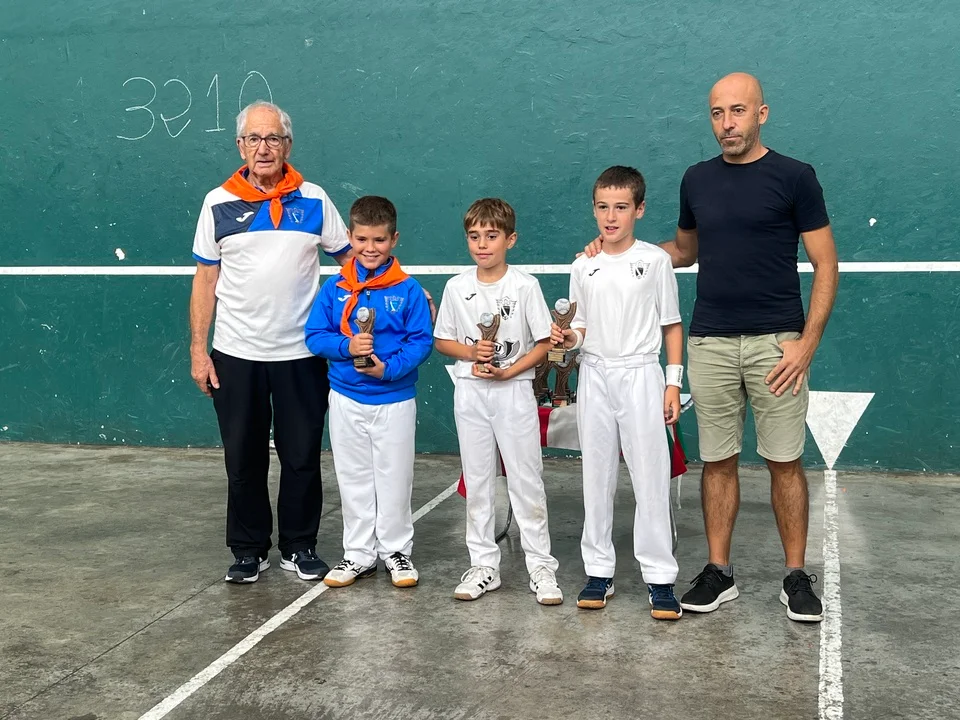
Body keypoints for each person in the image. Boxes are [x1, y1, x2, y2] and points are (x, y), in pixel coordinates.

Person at [582, 73, 839, 622]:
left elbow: (826, 263)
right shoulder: (696, 179)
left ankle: (795, 576)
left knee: (784, 462)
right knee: (717, 461)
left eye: (738, 111)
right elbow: (682, 251)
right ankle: (719, 572)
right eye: (718, 113)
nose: (727, 123)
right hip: (710, 341)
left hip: (777, 345)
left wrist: (806, 344)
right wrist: (616, 247)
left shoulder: (795, 177)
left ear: (761, 114)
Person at [189, 101, 352, 584]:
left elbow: (352, 260)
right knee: (243, 458)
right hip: (236, 354)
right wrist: (199, 351)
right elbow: (205, 280)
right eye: (255, 139)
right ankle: (248, 550)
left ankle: (299, 546)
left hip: (301, 355)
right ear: (240, 146)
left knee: (301, 456)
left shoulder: (315, 199)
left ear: (288, 145)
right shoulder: (217, 202)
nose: (264, 148)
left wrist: (400, 288)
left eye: (273, 138)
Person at [556, 166, 684, 620]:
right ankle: (599, 571)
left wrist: (673, 382)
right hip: (594, 375)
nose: (611, 217)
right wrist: (568, 338)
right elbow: (580, 327)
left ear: (639, 210)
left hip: (641, 376)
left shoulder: (655, 261)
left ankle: (660, 577)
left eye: (621, 207)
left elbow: (671, 324)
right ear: (594, 210)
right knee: (597, 476)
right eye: (603, 207)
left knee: (650, 476)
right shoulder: (582, 265)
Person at [433, 198, 563, 605]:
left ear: (511, 239)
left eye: (491, 236)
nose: (482, 244)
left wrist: (510, 371)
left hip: (514, 392)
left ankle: (541, 566)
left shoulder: (524, 286)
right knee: (477, 480)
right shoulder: (457, 287)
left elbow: (544, 342)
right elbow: (442, 341)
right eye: (474, 237)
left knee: (526, 479)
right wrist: (472, 353)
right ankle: (483, 565)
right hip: (470, 392)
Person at [304, 196, 433, 589]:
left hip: (394, 400)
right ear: (350, 236)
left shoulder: (408, 290)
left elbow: (421, 341)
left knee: (394, 478)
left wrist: (387, 369)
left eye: (379, 240)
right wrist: (347, 346)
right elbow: (315, 336)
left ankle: (395, 551)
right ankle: (359, 554)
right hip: (345, 398)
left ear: (394, 239)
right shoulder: (335, 288)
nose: (370, 248)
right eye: (362, 239)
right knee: (353, 477)